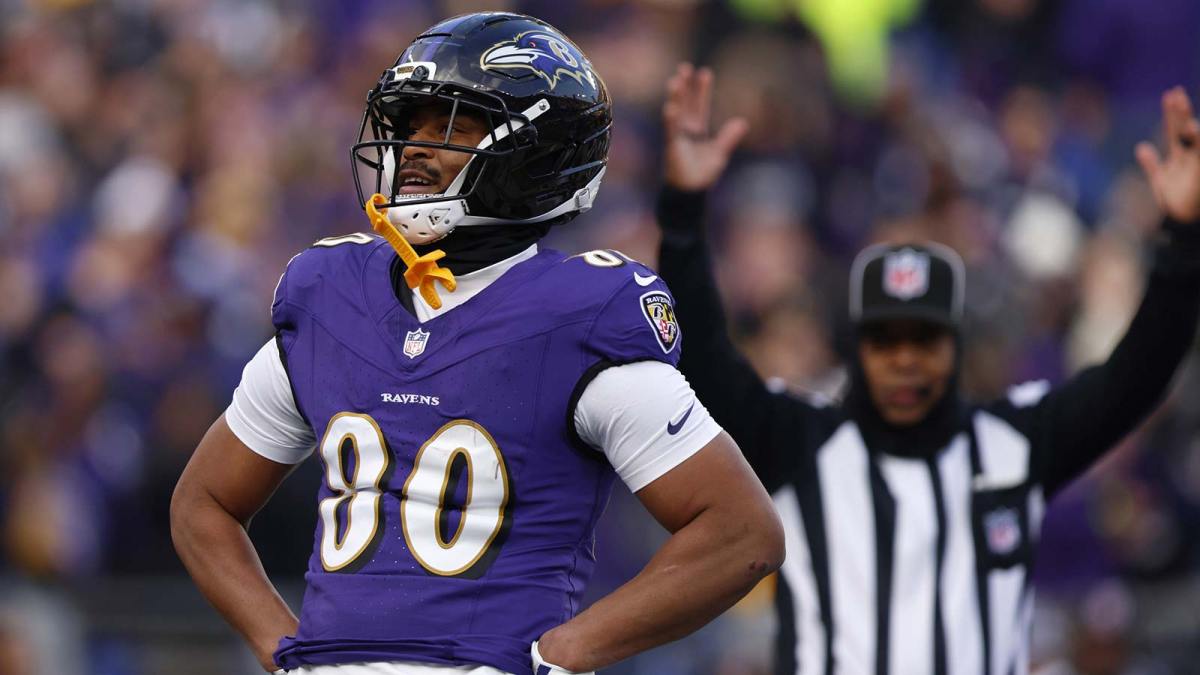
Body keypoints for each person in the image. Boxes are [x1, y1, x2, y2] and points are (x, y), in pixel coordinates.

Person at [170, 15, 784, 675]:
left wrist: (563, 651)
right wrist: (282, 646)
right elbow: (203, 503)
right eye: (411, 124)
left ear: (535, 156)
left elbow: (740, 533)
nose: (415, 149)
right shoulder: (331, 299)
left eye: (450, 127)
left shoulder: (576, 316)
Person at [655, 62, 1200, 674]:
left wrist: (1181, 242)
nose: (906, 359)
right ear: (857, 349)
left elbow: (1135, 379)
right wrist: (682, 215)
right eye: (885, 340)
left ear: (956, 346)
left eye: (925, 338)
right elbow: (700, 357)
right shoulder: (801, 440)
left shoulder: (1013, 445)